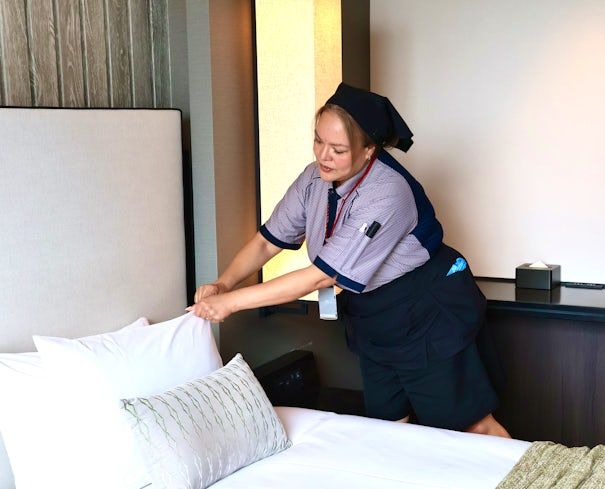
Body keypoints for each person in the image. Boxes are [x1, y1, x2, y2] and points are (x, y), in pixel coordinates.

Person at [188, 82, 510, 438]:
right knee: (388, 426)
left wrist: (231, 303)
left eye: (338, 149)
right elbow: (267, 243)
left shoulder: (388, 191)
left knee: (473, 426)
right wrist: (224, 283)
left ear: (369, 149)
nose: (323, 156)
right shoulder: (313, 179)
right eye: (318, 141)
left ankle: (531, 469)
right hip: (374, 317)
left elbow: (319, 277)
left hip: (425, 314)